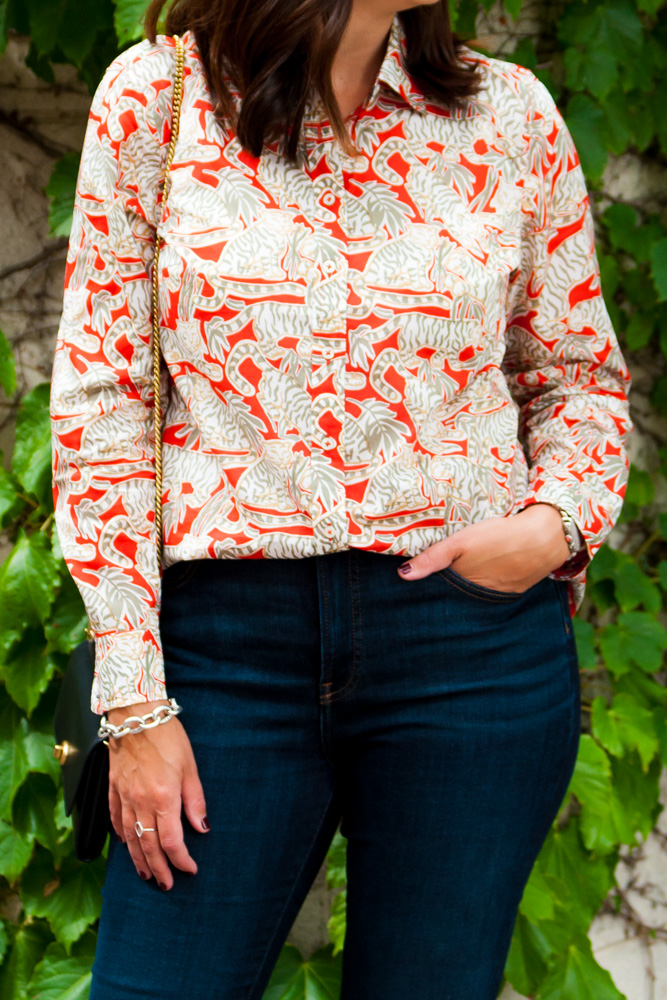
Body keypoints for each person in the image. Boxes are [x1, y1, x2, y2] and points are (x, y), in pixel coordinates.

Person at [49, 0, 633, 997]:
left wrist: (548, 528)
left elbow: (577, 377)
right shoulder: (157, 97)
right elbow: (104, 404)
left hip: (468, 649)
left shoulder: (508, 115)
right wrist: (133, 700)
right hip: (221, 657)